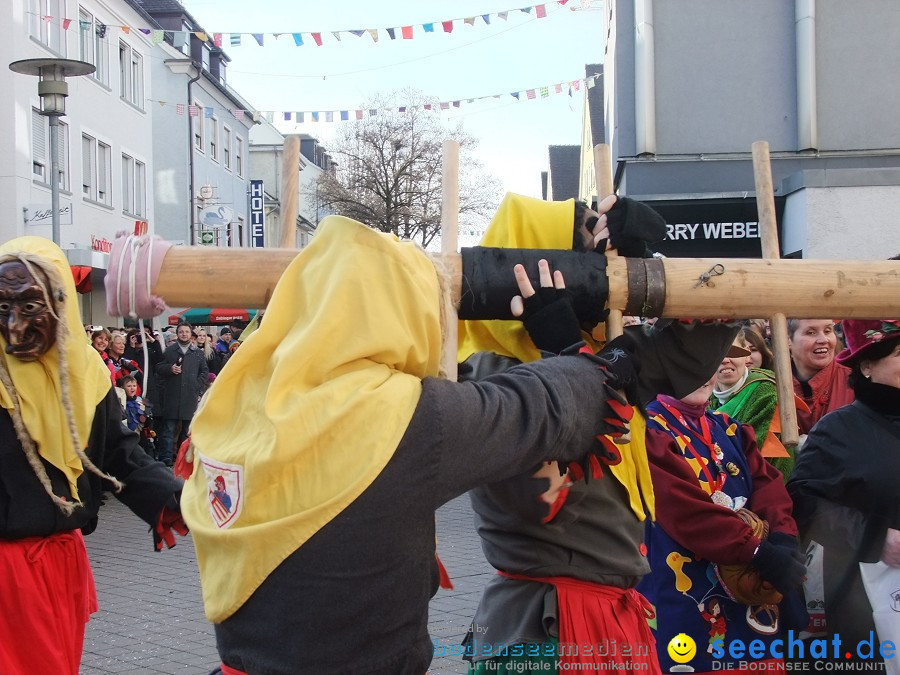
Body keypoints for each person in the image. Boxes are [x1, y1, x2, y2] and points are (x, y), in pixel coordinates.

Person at [180, 214, 646, 675]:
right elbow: (547, 405)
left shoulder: (230, 404)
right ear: (398, 311)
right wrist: (586, 354)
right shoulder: (400, 415)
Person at [457, 192, 739, 674]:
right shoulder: (482, 375)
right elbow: (542, 499)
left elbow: (691, 351)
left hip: (612, 618)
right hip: (547, 633)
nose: (599, 257)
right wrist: (567, 361)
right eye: (588, 242)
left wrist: (647, 262)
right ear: (534, 262)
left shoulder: (599, 357)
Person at [0, 236, 186, 674]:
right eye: (0, 307)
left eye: (30, 308)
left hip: (63, 563)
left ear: (62, 306)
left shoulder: (86, 372)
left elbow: (118, 455)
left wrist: (177, 500)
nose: (12, 325)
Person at [639, 372, 807, 674]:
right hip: (683, 597)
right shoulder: (647, 432)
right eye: (692, 363)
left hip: (751, 600)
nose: (703, 372)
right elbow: (684, 510)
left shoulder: (730, 429)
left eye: (711, 361)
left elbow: (769, 484)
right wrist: (758, 553)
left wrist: (782, 536)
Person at [788, 319, 900, 660]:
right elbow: (803, 501)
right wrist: (875, 538)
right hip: (866, 598)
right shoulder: (839, 429)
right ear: (866, 366)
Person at [709, 330, 806, 479]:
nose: (725, 360)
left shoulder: (766, 392)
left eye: (732, 351)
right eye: (717, 353)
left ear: (746, 354)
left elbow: (748, 454)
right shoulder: (706, 397)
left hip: (766, 485)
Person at [155, 322, 208, 467]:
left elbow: (204, 371)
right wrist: (169, 369)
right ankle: (166, 457)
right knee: (168, 430)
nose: (184, 334)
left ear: (191, 334)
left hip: (189, 396)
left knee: (186, 431)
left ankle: (183, 458)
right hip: (172, 395)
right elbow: (159, 368)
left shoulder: (197, 353)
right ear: (177, 334)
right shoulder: (170, 351)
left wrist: (197, 385)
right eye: (181, 332)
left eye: (186, 332)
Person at [789, 319, 854, 435]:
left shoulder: (855, 382)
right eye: (811, 333)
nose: (824, 340)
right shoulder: (771, 387)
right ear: (787, 340)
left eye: (828, 331)